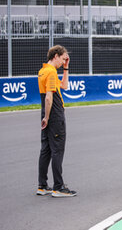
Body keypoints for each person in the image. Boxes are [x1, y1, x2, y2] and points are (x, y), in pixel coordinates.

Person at [37, 45, 77, 197]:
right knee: (57, 150)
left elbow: (64, 86)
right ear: (55, 56)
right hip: (54, 115)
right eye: (63, 58)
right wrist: (47, 117)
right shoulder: (51, 72)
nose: (63, 61)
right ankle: (58, 187)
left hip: (47, 113)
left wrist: (66, 68)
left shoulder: (43, 71)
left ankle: (42, 185)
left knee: (46, 149)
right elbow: (49, 97)